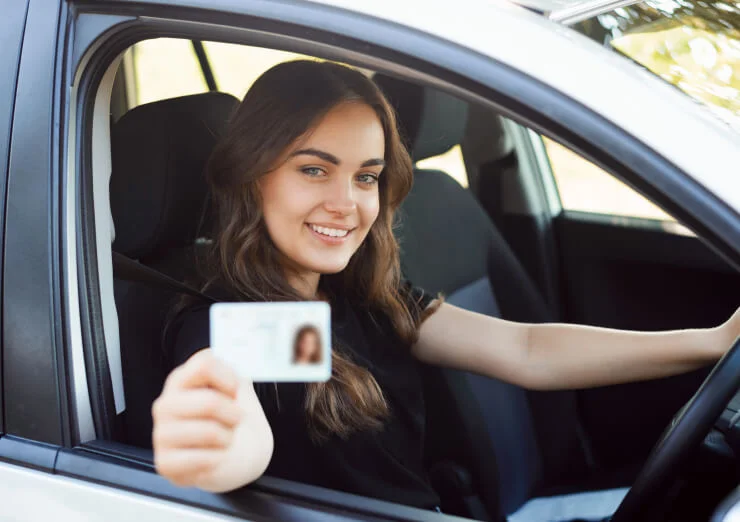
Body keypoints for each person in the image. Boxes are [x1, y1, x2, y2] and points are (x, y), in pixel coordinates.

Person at [151, 60, 740, 512]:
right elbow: (238, 431)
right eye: (313, 169)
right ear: (252, 176)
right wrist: (212, 447)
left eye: (366, 177)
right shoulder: (237, 321)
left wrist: (715, 343)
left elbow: (525, 350)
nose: (347, 203)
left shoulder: (353, 298)